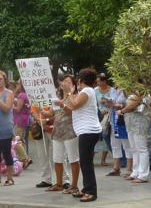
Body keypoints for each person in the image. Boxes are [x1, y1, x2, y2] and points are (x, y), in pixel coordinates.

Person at [61, 68, 102, 203]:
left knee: (86, 163)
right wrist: (69, 94)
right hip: (86, 131)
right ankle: (86, 188)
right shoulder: (86, 91)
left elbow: (75, 104)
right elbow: (71, 106)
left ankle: (91, 192)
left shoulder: (87, 90)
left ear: (81, 80)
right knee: (86, 162)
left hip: (88, 131)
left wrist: (69, 93)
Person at [46, 75, 80, 194]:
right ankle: (59, 183)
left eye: (67, 81)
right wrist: (38, 110)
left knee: (73, 158)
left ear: (73, 85)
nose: (64, 83)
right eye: (63, 81)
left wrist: (63, 105)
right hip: (58, 131)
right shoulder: (58, 98)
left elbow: (73, 112)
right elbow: (50, 114)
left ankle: (74, 185)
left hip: (70, 131)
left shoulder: (75, 97)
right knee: (57, 158)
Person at [119, 90, 151, 183]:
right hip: (130, 123)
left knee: (142, 149)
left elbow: (133, 105)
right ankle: (135, 172)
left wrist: (121, 111)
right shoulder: (131, 92)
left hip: (139, 123)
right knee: (134, 149)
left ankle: (143, 175)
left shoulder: (145, 94)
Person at [12, 81, 32, 165]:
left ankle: (25, 158)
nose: (17, 86)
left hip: (19, 120)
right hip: (25, 119)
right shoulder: (27, 95)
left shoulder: (22, 95)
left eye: (18, 84)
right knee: (21, 140)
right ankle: (24, 159)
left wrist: (10, 106)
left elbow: (18, 109)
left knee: (15, 141)